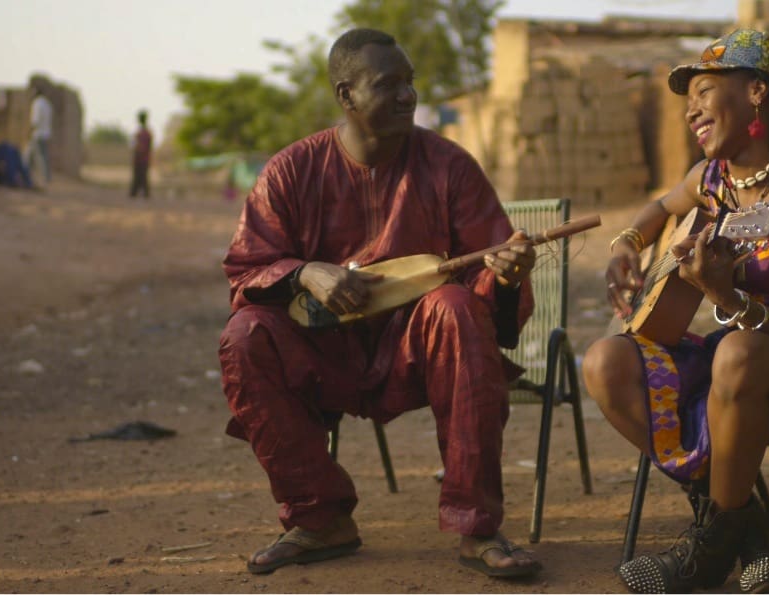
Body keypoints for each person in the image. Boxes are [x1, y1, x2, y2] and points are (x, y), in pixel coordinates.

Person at [217, 28, 542, 579]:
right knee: (244, 336)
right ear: (345, 96)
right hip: (323, 351)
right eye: (387, 84)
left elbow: (487, 276)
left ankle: (476, 526)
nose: (407, 97)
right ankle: (320, 520)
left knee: (456, 308)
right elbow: (246, 271)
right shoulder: (290, 171)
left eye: (410, 83)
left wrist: (507, 277)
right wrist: (304, 273)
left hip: (414, 352)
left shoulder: (449, 166)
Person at [581, 29, 769, 593]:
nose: (690, 109)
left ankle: (708, 550)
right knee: (604, 361)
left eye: (701, 91)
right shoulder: (710, 182)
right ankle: (746, 527)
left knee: (738, 354)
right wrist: (627, 243)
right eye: (688, 98)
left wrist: (726, 298)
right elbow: (659, 208)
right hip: (732, 366)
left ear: (757, 93)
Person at [27, 86, 53, 185]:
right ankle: (26, 174)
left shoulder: (37, 103)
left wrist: (30, 130)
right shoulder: (47, 104)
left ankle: (46, 177)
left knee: (40, 156)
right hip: (45, 133)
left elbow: (35, 120)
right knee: (30, 154)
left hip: (38, 134)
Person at [129, 110, 152, 198]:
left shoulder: (142, 133)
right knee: (141, 176)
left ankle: (138, 193)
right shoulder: (146, 132)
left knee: (141, 176)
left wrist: (138, 151)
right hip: (143, 158)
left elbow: (139, 146)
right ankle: (138, 193)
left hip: (141, 158)